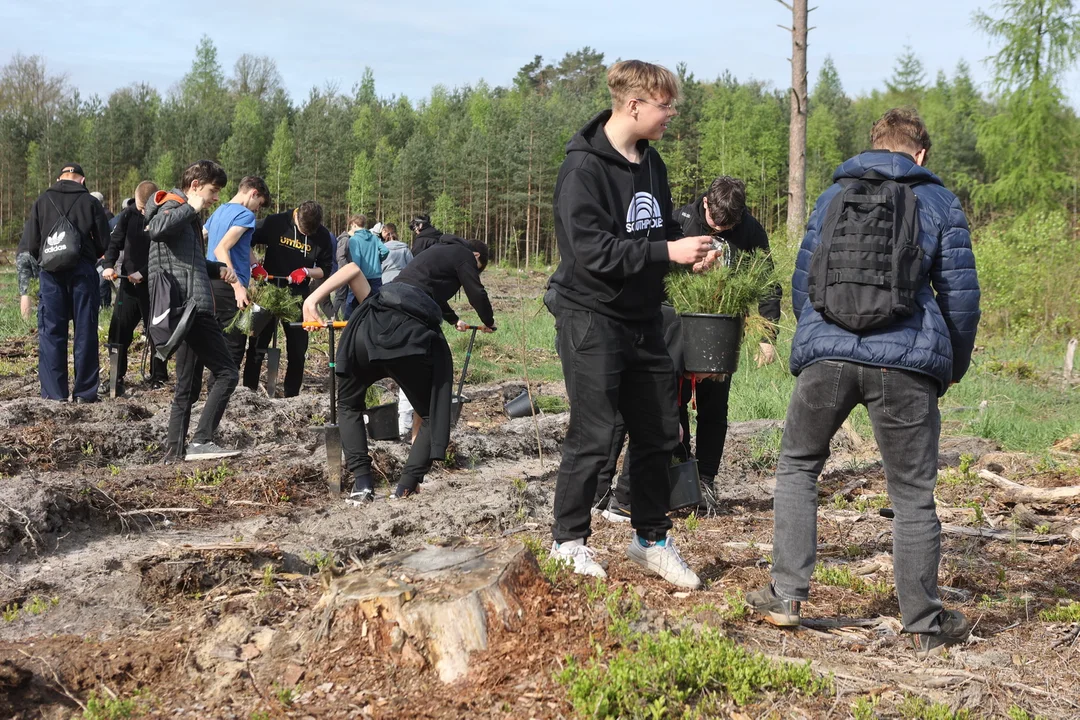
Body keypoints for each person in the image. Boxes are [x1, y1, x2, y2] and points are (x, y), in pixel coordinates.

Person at [746, 108, 981, 660]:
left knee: (799, 466)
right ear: (919, 153)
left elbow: (805, 282)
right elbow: (960, 299)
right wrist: (949, 364)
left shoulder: (832, 197)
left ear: (874, 146)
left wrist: (818, 338)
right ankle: (923, 622)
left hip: (827, 352)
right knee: (912, 494)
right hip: (905, 361)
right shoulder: (939, 202)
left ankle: (785, 596)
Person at [545, 60, 715, 588]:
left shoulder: (651, 163)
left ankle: (650, 539)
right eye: (665, 106)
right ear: (634, 105)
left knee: (657, 430)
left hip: (642, 316)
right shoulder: (584, 170)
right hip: (591, 314)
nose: (671, 115)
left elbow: (656, 228)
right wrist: (667, 248)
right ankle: (567, 541)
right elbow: (592, 251)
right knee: (594, 431)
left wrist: (684, 254)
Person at [595, 175, 784, 519]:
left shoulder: (751, 231)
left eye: (731, 225)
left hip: (722, 332)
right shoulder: (679, 222)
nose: (723, 229)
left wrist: (767, 335)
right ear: (706, 204)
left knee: (714, 409)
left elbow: (768, 281)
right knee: (672, 404)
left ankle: (706, 482)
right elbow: (654, 270)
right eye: (716, 222)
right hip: (675, 329)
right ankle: (678, 477)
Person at [301, 235, 496, 503]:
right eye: (478, 269)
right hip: (410, 338)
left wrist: (309, 302)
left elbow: (355, 271)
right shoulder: (464, 255)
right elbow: (477, 294)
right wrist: (489, 321)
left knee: (348, 406)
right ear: (476, 258)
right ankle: (406, 486)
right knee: (431, 415)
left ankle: (362, 484)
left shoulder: (424, 263)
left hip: (366, 331)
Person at [146, 159, 241, 460]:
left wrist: (218, 269)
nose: (215, 199)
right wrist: (193, 206)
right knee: (228, 373)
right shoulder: (172, 206)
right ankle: (202, 440)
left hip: (187, 308)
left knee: (187, 385)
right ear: (196, 185)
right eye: (213, 191)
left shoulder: (185, 216)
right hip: (193, 309)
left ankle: (174, 453)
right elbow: (156, 229)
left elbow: (188, 263)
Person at [22, 162, 111, 402]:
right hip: (82, 272)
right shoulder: (91, 202)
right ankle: (84, 393)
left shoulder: (42, 201)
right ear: (81, 180)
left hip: (50, 274)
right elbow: (104, 243)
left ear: (59, 177)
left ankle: (54, 394)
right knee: (85, 331)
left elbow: (30, 244)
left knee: (51, 332)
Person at [244, 201, 333, 397]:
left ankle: (291, 395)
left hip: (297, 297)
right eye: (303, 232)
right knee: (256, 344)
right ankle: (248, 391)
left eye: (310, 235)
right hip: (268, 291)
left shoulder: (323, 235)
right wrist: (253, 266)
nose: (307, 237)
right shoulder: (275, 222)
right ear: (296, 217)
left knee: (297, 349)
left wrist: (306, 271)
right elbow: (245, 239)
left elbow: (326, 269)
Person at [102, 180, 168, 394]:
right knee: (118, 331)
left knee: (157, 332)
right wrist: (109, 265)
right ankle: (115, 377)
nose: (141, 211)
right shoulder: (128, 215)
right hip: (129, 286)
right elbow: (115, 243)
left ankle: (159, 376)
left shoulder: (165, 216)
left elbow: (166, 254)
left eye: (144, 207)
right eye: (139, 206)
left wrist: (145, 272)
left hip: (155, 286)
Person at [204, 176, 270, 376]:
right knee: (233, 347)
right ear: (253, 193)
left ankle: (214, 392)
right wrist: (238, 287)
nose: (257, 210)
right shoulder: (245, 215)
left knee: (217, 343)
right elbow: (221, 249)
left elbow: (202, 235)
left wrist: (255, 265)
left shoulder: (220, 211)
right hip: (228, 287)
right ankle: (221, 398)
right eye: (259, 204)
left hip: (210, 284)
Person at [379, 222, 417, 439]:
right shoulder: (404, 248)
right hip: (404, 290)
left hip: (386, 288)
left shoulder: (380, 247)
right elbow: (411, 268)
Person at [344, 214, 389, 316]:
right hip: (376, 276)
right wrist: (378, 259)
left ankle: (347, 327)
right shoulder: (374, 238)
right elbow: (385, 251)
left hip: (361, 276)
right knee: (376, 305)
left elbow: (356, 261)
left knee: (351, 306)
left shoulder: (354, 240)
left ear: (354, 224)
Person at [15, 232, 40, 321]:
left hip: (21, 254)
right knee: (44, 288)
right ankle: (43, 319)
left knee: (25, 291)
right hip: (35, 253)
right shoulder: (44, 218)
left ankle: (26, 321)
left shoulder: (31, 221)